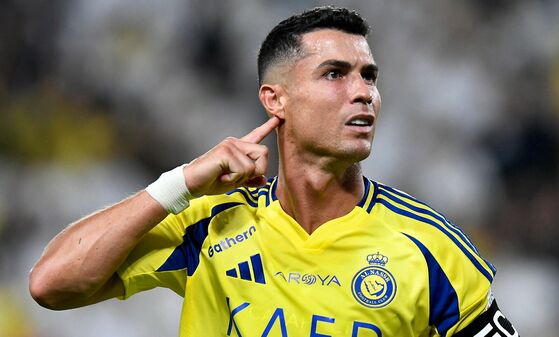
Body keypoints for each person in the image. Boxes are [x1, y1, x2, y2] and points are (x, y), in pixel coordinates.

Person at [29, 6, 519, 337]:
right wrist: (180, 184)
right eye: (335, 74)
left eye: (369, 76)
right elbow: (52, 285)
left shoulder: (431, 248)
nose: (364, 92)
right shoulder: (210, 223)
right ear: (275, 99)